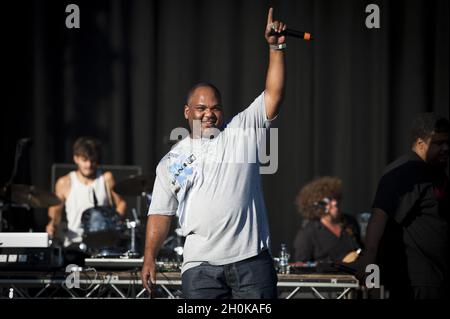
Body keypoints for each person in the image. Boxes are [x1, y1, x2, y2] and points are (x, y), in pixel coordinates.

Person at [141, 7, 288, 299]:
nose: (209, 114)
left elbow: (273, 93)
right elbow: (160, 213)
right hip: (200, 269)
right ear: (187, 112)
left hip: (251, 263)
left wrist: (276, 47)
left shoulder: (241, 130)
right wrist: (149, 256)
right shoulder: (170, 162)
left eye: (215, 108)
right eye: (201, 109)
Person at [359, 113, 449, 299]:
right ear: (420, 143)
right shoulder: (403, 172)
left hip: (437, 277)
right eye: (439, 143)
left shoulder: (435, 171)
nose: (446, 148)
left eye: (448, 142)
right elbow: (378, 223)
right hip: (416, 282)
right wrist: (371, 276)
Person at [46, 137, 127, 249]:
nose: (89, 165)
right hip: (74, 243)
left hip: (102, 243)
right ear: (76, 159)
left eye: (92, 161)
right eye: (85, 160)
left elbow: (121, 203)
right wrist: (52, 224)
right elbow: (55, 210)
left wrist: (115, 220)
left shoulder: (106, 178)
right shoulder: (64, 182)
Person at [293, 176, 361, 264]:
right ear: (317, 204)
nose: (335, 202)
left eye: (336, 198)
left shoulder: (350, 222)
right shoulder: (308, 233)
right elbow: (302, 266)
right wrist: (339, 262)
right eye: (329, 199)